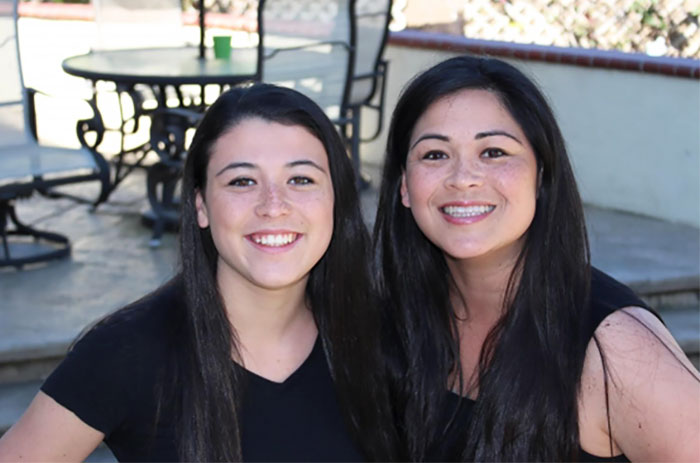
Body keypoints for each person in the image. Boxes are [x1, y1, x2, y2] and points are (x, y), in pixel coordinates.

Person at [0, 84, 398, 462]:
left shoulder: (382, 338)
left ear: (335, 199)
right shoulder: (127, 352)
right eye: (242, 181)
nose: (273, 205)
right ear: (201, 206)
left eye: (300, 179)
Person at [373, 55, 700, 462]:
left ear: (541, 175)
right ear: (404, 186)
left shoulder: (614, 345)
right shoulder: (394, 317)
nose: (463, 178)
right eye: (435, 155)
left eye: (493, 152)